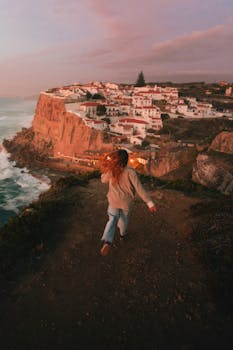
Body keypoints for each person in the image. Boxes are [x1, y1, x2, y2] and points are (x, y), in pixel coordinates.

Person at [99, 149, 156, 256]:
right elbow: (139, 189)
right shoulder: (131, 172)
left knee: (112, 219)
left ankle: (107, 241)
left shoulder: (112, 170)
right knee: (123, 220)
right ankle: (122, 235)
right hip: (126, 203)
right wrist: (150, 203)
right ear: (126, 160)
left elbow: (103, 180)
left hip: (114, 201)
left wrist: (105, 171)